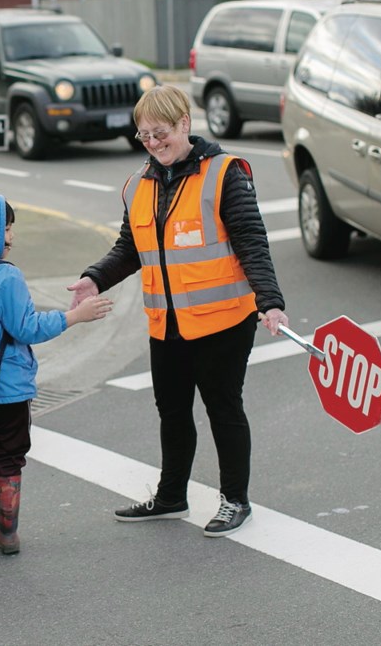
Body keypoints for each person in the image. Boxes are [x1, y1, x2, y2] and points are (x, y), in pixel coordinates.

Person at [67, 85, 289, 538]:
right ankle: (171, 497)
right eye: (143, 135)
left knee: (223, 408)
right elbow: (130, 248)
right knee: (171, 410)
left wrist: (270, 302)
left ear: (185, 124)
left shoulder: (225, 173)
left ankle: (234, 500)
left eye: (160, 132)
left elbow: (251, 240)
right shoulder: (137, 185)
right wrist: (95, 277)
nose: (152, 143)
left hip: (224, 320)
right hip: (166, 322)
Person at [0, 188, 113, 555]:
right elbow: (27, 328)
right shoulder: (6, 277)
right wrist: (73, 317)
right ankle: (7, 533)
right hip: (8, 388)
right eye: (6, 228)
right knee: (7, 456)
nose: (11, 237)